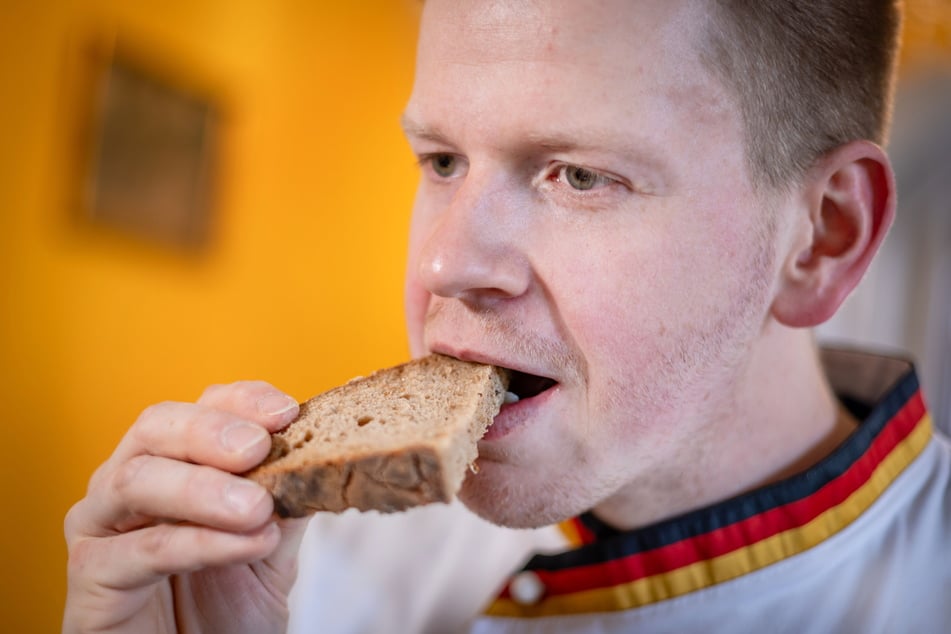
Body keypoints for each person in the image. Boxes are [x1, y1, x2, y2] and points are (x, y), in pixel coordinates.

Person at [63, 1, 951, 632]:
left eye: (578, 175)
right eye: (441, 160)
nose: (444, 264)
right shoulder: (299, 569)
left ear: (821, 237)